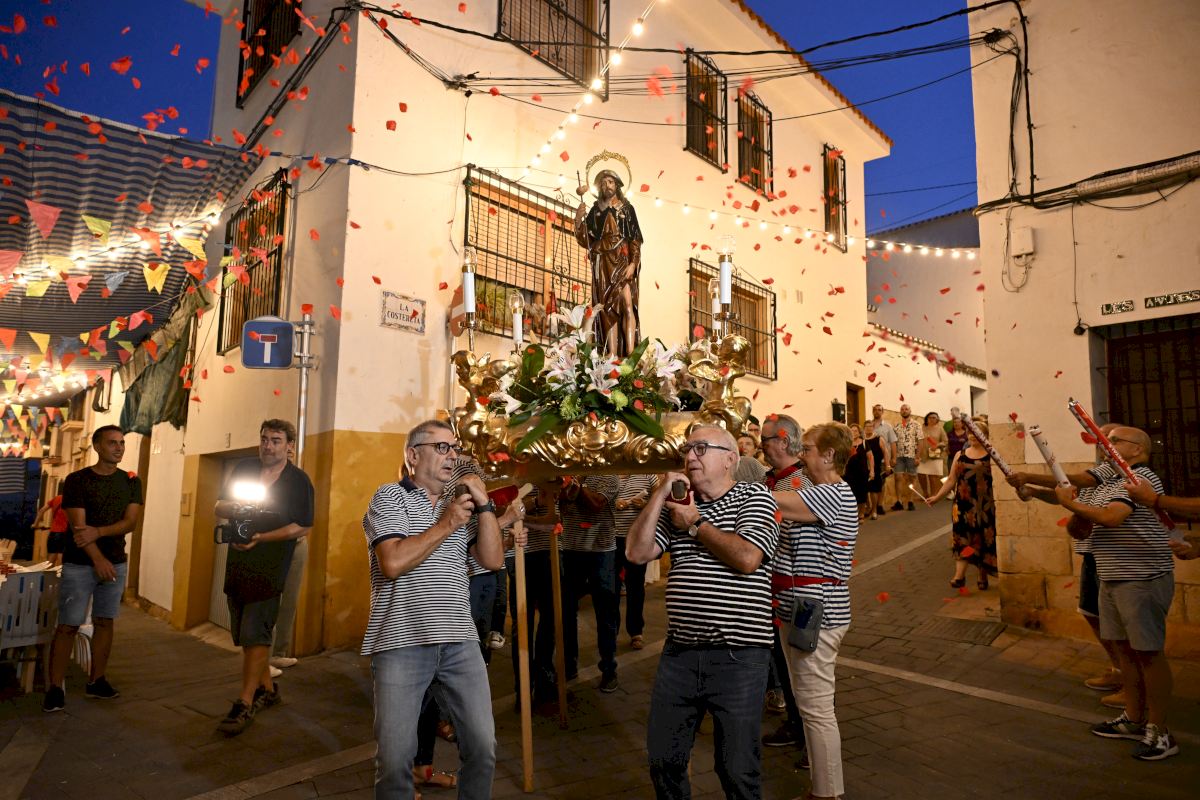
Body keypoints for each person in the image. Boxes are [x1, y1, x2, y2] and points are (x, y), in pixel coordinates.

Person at [627, 425, 779, 800]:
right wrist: (661, 493)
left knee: (736, 768)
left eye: (700, 448)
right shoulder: (678, 505)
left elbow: (747, 558)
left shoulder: (754, 497)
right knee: (664, 759)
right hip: (680, 653)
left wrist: (695, 524)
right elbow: (636, 552)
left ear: (730, 459)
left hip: (739, 655)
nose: (690, 455)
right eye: (687, 448)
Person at [361, 419, 511, 796]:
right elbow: (392, 562)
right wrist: (447, 523)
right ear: (413, 456)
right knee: (394, 760)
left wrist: (485, 505)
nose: (452, 456)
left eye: (455, 448)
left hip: (460, 641)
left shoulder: (457, 505)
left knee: (482, 748)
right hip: (401, 643)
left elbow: (493, 560)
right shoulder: (390, 497)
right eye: (441, 447)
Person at [1053, 427, 1179, 761]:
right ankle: (1134, 718)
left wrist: (1070, 504)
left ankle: (1160, 731)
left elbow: (1112, 517)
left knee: (1148, 653)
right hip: (1111, 575)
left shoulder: (1140, 478)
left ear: (1137, 449)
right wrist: (1072, 509)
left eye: (1115, 441)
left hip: (1140, 577)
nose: (1106, 446)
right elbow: (1085, 518)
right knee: (1124, 650)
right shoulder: (1109, 481)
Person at [771, 423, 858, 800]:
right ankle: (822, 789)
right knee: (808, 703)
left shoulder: (834, 494)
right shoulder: (816, 491)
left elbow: (773, 501)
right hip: (802, 609)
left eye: (806, 448)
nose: (800, 454)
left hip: (816, 612)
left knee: (816, 707)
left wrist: (727, 484)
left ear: (828, 455)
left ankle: (827, 794)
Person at [1008, 423, 1125, 699]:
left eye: (1109, 439)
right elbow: (1067, 492)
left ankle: (1134, 685)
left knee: (1119, 621)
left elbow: (1073, 480)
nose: (1102, 444)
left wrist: (1027, 475)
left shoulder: (1122, 472)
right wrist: (1033, 491)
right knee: (1093, 613)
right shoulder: (1101, 469)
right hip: (1091, 554)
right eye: (1100, 439)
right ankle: (1120, 669)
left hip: (1115, 557)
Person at [213, 419, 314, 735]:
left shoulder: (298, 481)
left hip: (271, 563)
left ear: (289, 446)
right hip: (238, 560)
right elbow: (219, 505)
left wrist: (262, 537)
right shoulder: (244, 468)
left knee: (256, 630)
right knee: (244, 630)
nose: (268, 446)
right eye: (265, 439)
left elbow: (303, 525)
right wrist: (237, 507)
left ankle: (245, 701)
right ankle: (268, 689)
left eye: (276, 440)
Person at [43, 426, 143, 713]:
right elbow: (78, 527)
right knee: (68, 625)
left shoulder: (131, 481)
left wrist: (98, 532)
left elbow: (130, 522)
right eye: (112, 443)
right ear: (97, 446)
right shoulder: (77, 480)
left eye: (122, 443)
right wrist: (98, 559)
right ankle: (55, 687)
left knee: (104, 621)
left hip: (116, 562)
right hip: (79, 564)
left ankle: (97, 680)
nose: (119, 448)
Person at [757, 413, 808, 752]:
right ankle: (794, 722)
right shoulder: (769, 480)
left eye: (765, 440)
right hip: (772, 587)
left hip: (798, 590)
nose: (761, 445)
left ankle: (810, 739)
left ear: (784, 441)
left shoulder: (802, 482)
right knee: (783, 663)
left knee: (805, 669)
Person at [559, 474, 622, 692]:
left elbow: (596, 504)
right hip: (571, 549)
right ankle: (569, 664)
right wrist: (567, 487)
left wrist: (575, 485)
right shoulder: (570, 474)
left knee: (605, 613)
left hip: (602, 551)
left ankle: (609, 669)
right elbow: (562, 506)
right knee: (567, 612)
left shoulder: (608, 476)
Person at [575, 168, 643, 357]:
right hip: (603, 264)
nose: (607, 185)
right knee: (607, 310)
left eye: (610, 182)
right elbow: (586, 240)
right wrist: (578, 219)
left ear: (617, 185)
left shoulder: (626, 208)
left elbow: (635, 239)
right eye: (603, 183)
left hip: (621, 260)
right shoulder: (595, 211)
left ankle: (630, 351)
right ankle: (612, 354)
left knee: (627, 303)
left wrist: (633, 263)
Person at [925, 418, 998, 590]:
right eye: (970, 433)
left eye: (977, 433)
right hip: (963, 505)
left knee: (982, 539)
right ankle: (959, 576)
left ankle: (982, 573)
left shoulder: (992, 455)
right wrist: (937, 497)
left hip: (985, 505)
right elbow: (951, 480)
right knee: (963, 539)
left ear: (985, 435)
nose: (972, 436)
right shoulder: (960, 455)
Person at [614, 473, 659, 650]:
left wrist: (645, 505)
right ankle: (611, 631)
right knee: (610, 587)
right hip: (611, 538)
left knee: (635, 586)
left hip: (637, 538)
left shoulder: (648, 473)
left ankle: (636, 631)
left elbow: (660, 501)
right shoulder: (609, 472)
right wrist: (614, 503)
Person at [891, 404, 922, 511]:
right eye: (902, 409)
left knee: (912, 478)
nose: (904, 411)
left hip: (912, 455)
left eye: (906, 409)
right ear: (900, 411)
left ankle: (910, 501)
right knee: (897, 477)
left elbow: (920, 441)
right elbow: (893, 442)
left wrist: (918, 457)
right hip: (899, 455)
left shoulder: (916, 424)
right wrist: (893, 456)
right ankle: (899, 501)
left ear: (910, 411)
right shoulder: (897, 425)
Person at [870, 404, 896, 515]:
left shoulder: (888, 426)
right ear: (872, 411)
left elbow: (893, 442)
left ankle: (880, 505)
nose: (877, 411)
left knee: (882, 482)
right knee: (871, 484)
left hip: (882, 460)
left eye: (879, 410)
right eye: (875, 410)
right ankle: (872, 507)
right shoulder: (868, 425)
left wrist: (893, 458)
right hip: (870, 460)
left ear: (882, 412)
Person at [843, 424, 872, 520]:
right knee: (851, 494)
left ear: (859, 432)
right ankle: (853, 514)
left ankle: (861, 514)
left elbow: (870, 457)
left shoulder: (864, 443)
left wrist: (872, 471)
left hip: (862, 473)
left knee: (862, 494)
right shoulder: (847, 443)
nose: (853, 432)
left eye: (855, 431)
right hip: (849, 473)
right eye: (851, 431)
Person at [916, 411, 947, 500]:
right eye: (930, 417)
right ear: (927, 418)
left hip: (934, 455)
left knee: (932, 476)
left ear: (937, 419)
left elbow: (945, 441)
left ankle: (934, 495)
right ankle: (925, 494)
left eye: (934, 418)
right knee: (921, 475)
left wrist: (937, 445)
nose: (932, 419)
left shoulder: (940, 429)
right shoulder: (922, 428)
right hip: (922, 455)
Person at [35, 493, 69, 566]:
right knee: (62, 559)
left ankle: (48, 573)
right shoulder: (72, 500)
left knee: (50, 560)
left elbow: (42, 510)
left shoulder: (57, 498)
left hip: (54, 532)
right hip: (65, 532)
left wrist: (35, 524)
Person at [863, 420, 886, 521]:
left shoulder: (879, 439)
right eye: (867, 426)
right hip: (863, 468)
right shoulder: (862, 440)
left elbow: (885, 452)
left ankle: (874, 510)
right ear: (864, 428)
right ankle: (868, 507)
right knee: (864, 490)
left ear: (873, 428)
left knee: (874, 490)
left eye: (870, 426)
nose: (868, 428)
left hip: (875, 467)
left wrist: (887, 465)